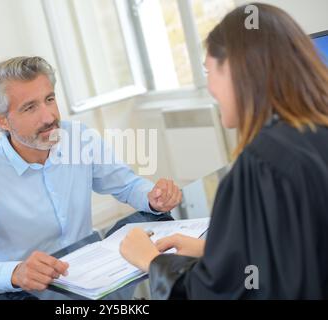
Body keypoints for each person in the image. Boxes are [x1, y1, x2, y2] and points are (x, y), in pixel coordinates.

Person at [120, 3, 328, 299]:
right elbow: (295, 255)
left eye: (209, 71)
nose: (210, 87)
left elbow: (219, 294)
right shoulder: (314, 135)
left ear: (236, 70)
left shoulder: (261, 164)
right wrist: (216, 253)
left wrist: (151, 261)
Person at [0, 56, 182, 297]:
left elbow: (127, 185)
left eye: (49, 99)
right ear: (2, 120)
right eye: (30, 107)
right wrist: (15, 272)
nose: (49, 117)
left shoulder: (78, 138)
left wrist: (153, 197)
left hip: (92, 276)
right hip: (27, 293)